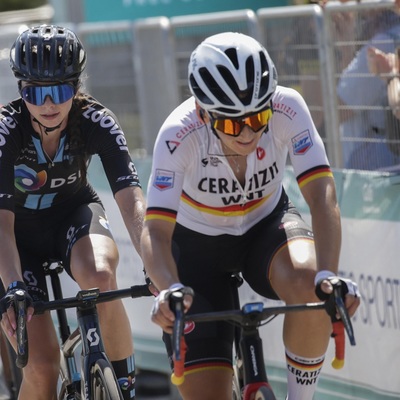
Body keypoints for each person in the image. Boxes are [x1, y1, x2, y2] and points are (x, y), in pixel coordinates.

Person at [141, 32, 360, 400]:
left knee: (309, 282)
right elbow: (156, 232)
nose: (248, 132)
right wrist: (168, 288)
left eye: (259, 117)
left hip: (265, 228)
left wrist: (328, 274)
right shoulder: (178, 134)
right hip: (196, 252)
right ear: (202, 112)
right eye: (231, 124)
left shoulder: (288, 106)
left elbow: (322, 197)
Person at [0, 25, 145, 400]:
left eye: (60, 91)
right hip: (14, 239)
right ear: (21, 91)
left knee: (99, 275)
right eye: (36, 93)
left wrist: (155, 263)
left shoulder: (96, 120)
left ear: (76, 88)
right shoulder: (6, 130)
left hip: (72, 216)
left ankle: (124, 386)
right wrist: (13, 286)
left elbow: (132, 204)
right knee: (42, 368)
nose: (49, 104)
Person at [336, 6, 400, 170]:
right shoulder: (384, 35)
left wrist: (391, 75)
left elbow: (338, 110)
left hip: (380, 166)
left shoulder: (383, 41)